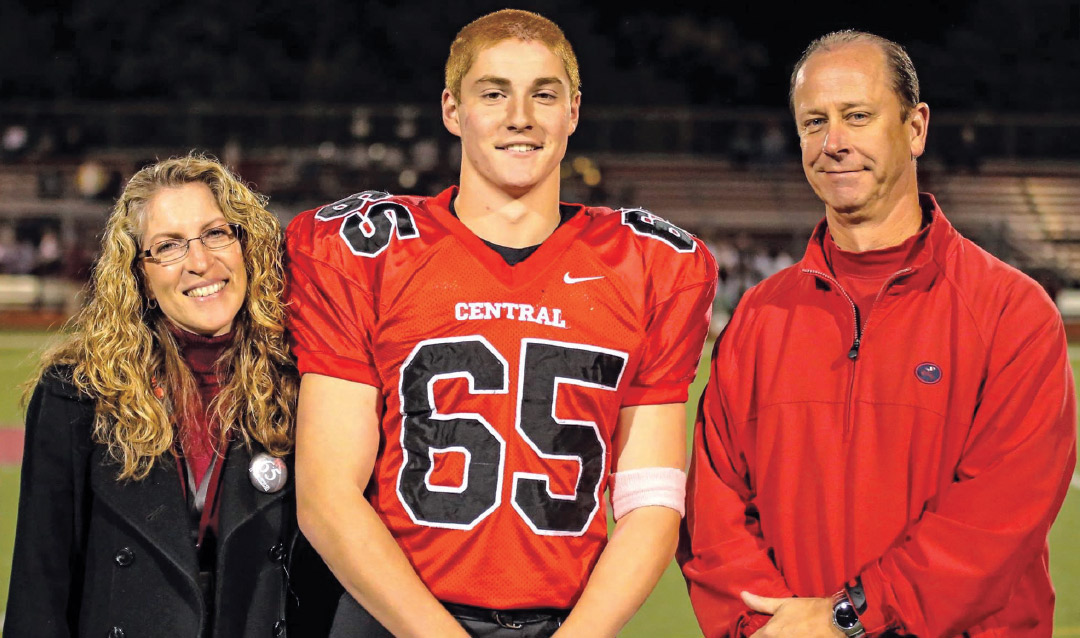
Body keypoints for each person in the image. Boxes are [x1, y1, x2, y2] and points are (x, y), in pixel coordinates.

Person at [285, 9, 717, 638]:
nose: (521, 116)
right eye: (494, 93)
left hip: (569, 623)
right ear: (452, 111)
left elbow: (650, 501)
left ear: (573, 112)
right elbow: (326, 495)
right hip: (393, 619)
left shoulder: (650, 264)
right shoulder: (368, 251)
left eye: (544, 94)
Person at [679, 30, 1077, 638]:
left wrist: (848, 618)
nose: (833, 143)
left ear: (915, 128)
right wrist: (760, 628)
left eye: (857, 116)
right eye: (814, 123)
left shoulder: (1011, 313)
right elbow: (714, 515)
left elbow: (995, 524)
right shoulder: (759, 319)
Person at [5, 155, 339, 637]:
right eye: (168, 246)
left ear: (248, 244)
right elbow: (39, 590)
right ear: (138, 271)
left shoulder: (304, 376)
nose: (200, 262)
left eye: (216, 234)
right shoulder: (77, 390)